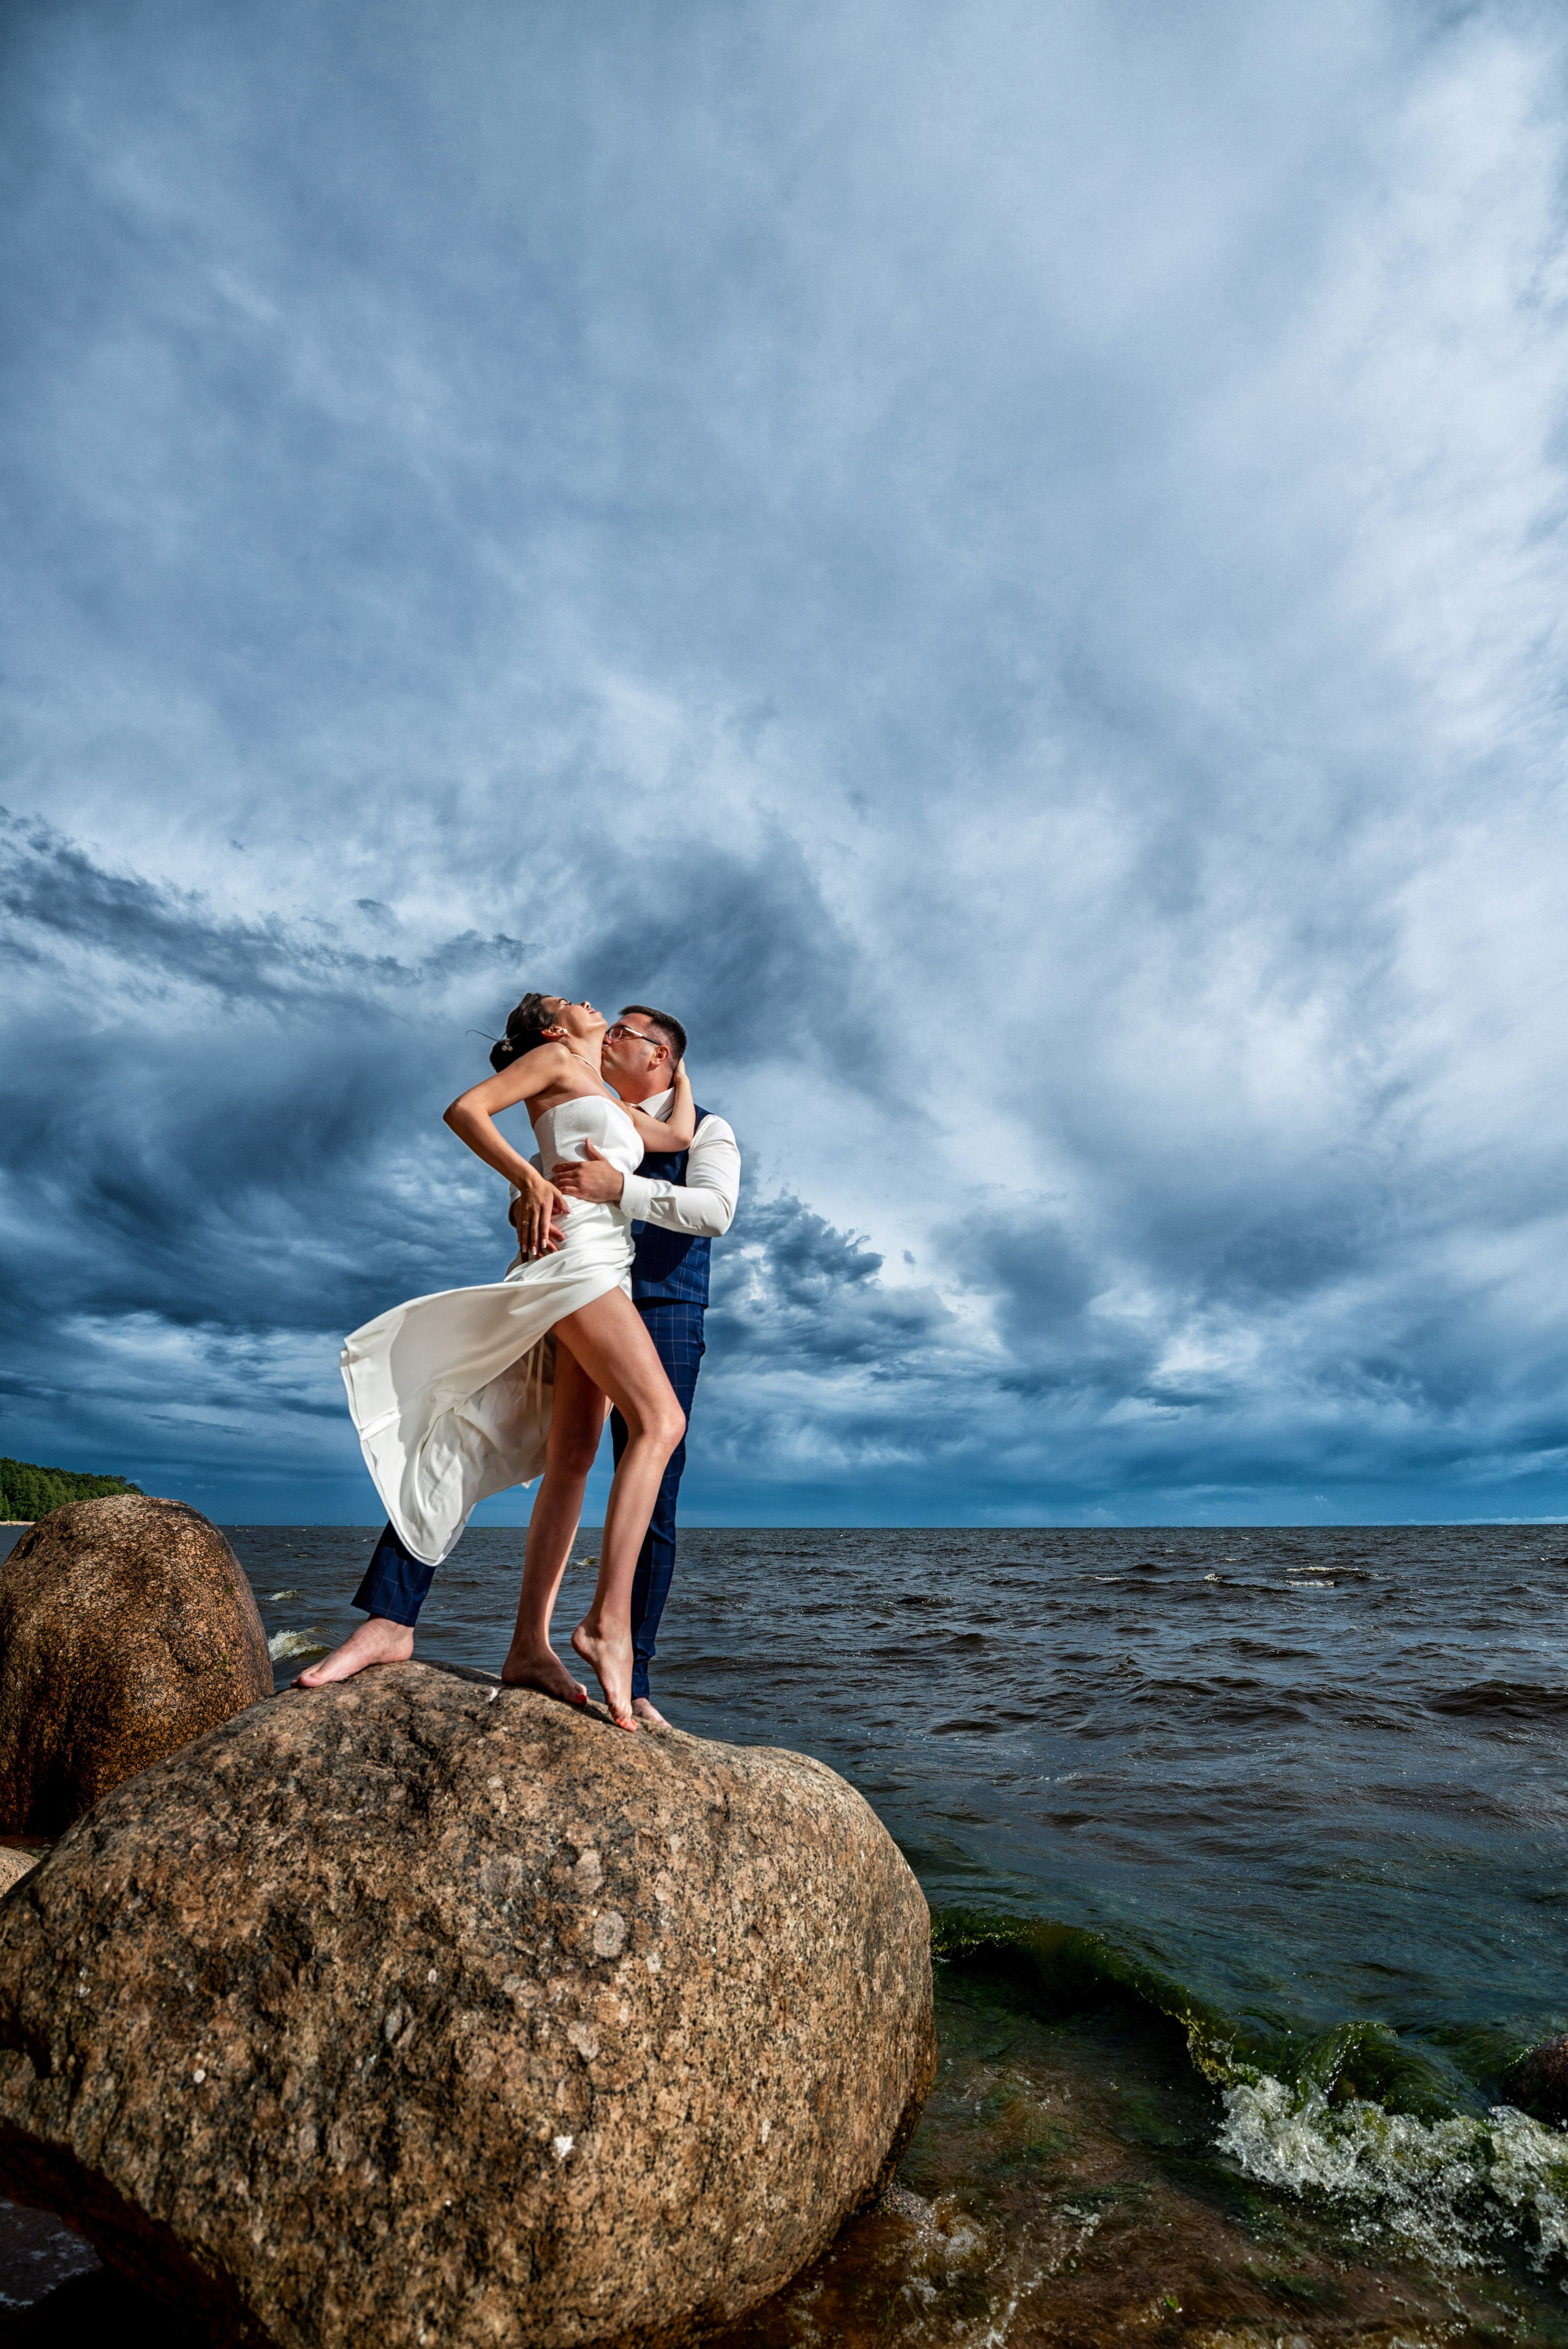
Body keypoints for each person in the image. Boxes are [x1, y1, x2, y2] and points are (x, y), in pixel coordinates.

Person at [298, 994, 691, 1730]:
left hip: (607, 1263)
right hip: (575, 1261)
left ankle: (525, 1646)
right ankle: (608, 1625)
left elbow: (673, 1131)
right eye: (570, 1002)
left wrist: (679, 1059)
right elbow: (467, 1109)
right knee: (660, 1421)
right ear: (553, 1028)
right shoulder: (560, 1060)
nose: (588, 1002)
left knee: (572, 1453)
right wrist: (529, 1179)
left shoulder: (607, 1093)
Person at [504, 1006, 739, 1725]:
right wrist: (529, 1194)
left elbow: (715, 1210)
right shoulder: (591, 1098)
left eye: (624, 1034)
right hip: (589, 1289)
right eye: (606, 1029)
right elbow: (550, 1174)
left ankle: (635, 1675)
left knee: (656, 1487)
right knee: (564, 1454)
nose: (606, 1037)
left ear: (661, 1057)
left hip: (664, 1307)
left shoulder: (707, 1127)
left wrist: (622, 1189)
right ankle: (541, 1637)